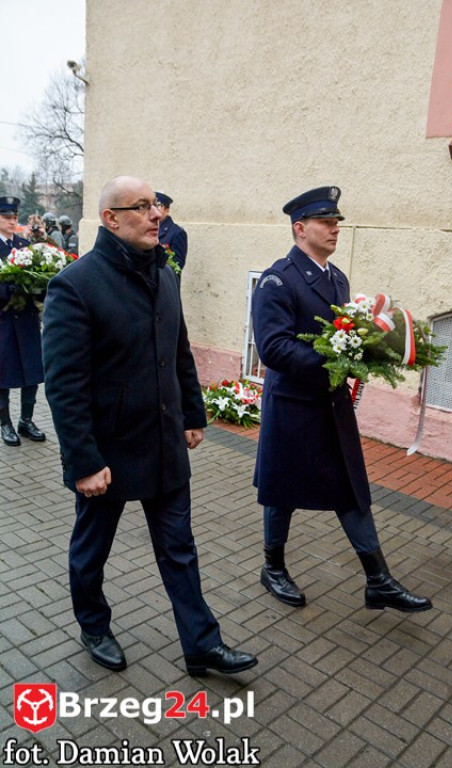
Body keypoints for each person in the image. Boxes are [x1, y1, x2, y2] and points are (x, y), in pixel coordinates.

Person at [42, 175, 258, 676]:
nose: (156, 214)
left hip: (163, 444)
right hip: (108, 455)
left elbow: (178, 351)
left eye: (156, 205)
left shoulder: (163, 274)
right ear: (111, 219)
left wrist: (193, 413)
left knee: (180, 549)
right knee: (91, 551)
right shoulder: (75, 286)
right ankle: (94, 624)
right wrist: (84, 461)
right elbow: (65, 385)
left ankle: (202, 644)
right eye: (141, 207)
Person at [252, 186, 433, 613]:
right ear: (300, 229)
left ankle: (379, 580)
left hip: (329, 405)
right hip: (294, 404)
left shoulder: (337, 278)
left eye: (336, 223)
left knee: (351, 489)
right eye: (326, 222)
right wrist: (336, 357)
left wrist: (365, 350)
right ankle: (272, 567)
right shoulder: (277, 280)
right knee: (282, 490)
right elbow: (273, 348)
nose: (335, 229)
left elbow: (343, 333)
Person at [0, 196, 46, 446]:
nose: (12, 221)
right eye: (7, 217)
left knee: (32, 371)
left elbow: (35, 274)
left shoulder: (24, 245)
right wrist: (8, 289)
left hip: (27, 320)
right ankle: (5, 423)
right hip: (4, 321)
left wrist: (42, 285)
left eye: (15, 217)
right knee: (3, 374)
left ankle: (25, 420)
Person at [155, 191, 188, 270]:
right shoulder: (146, 229)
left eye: (158, 206)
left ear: (167, 210)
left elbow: (177, 265)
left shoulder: (177, 232)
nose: (154, 210)